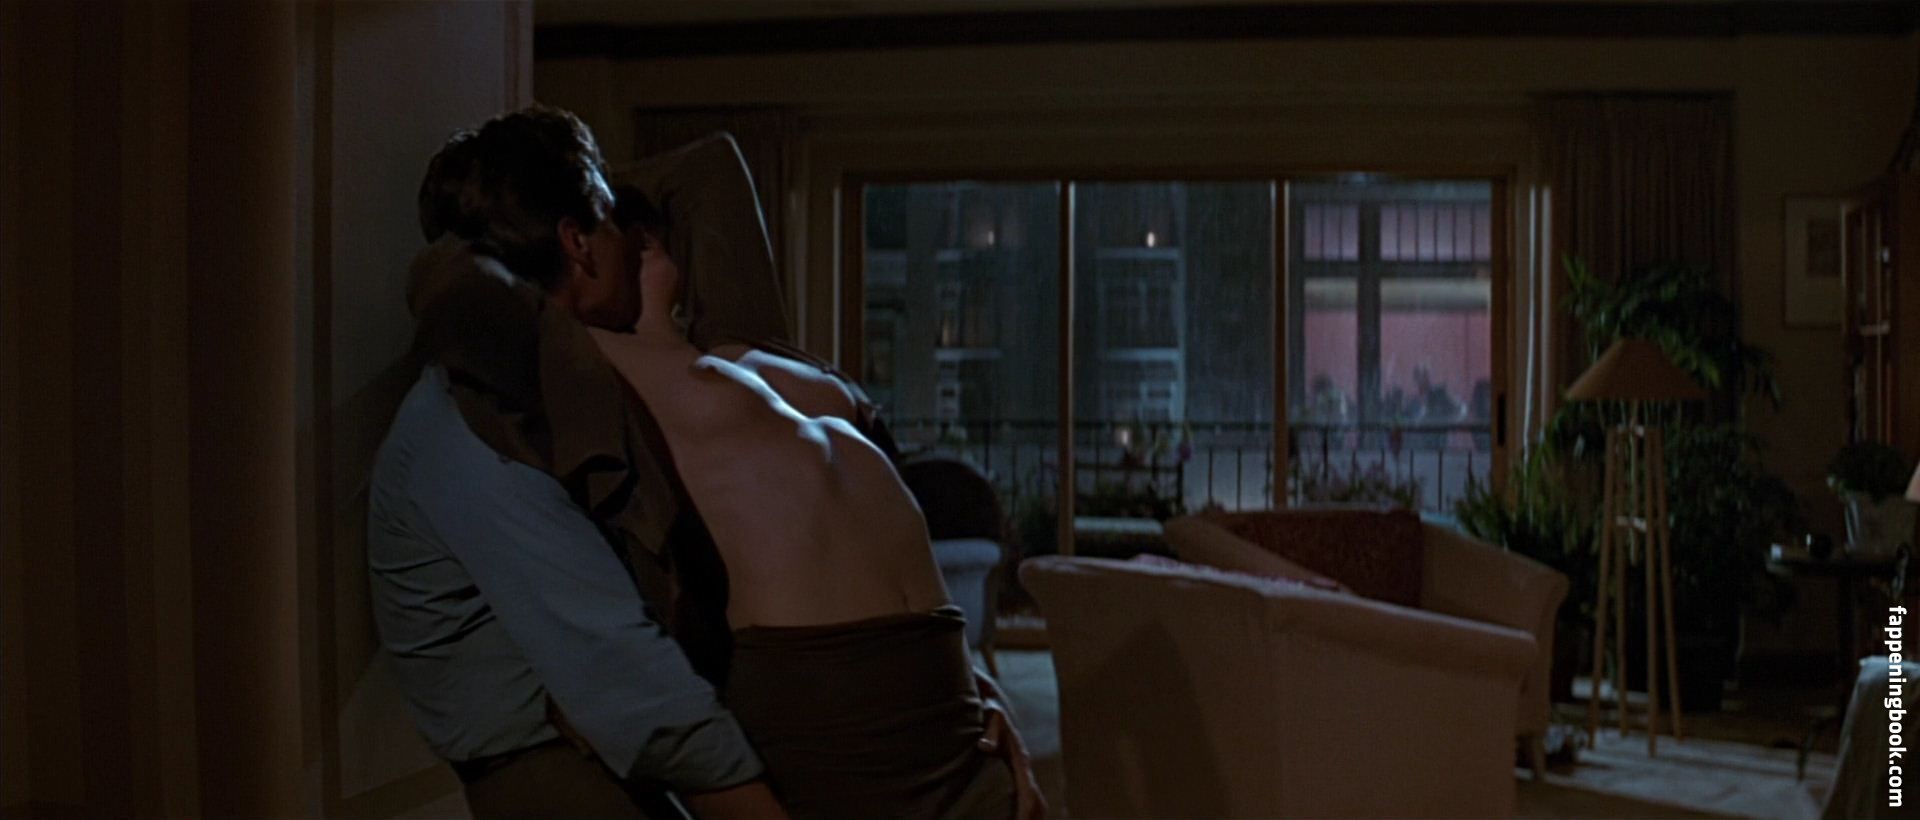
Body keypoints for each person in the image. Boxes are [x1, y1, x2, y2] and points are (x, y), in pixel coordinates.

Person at [371, 105, 1042, 818]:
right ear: (578, 243)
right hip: (559, 747)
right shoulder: (495, 410)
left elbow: (706, 168)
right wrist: (539, 227)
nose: (641, 236)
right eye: (615, 221)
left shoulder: (682, 363)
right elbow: (628, 677)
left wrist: (969, 690)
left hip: (914, 706)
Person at [587, 206, 1015, 816]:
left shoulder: (743, 350)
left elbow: (711, 183)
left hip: (945, 688)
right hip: (831, 696)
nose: (639, 238)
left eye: (642, 228)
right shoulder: (597, 361)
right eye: (612, 225)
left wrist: (983, 686)